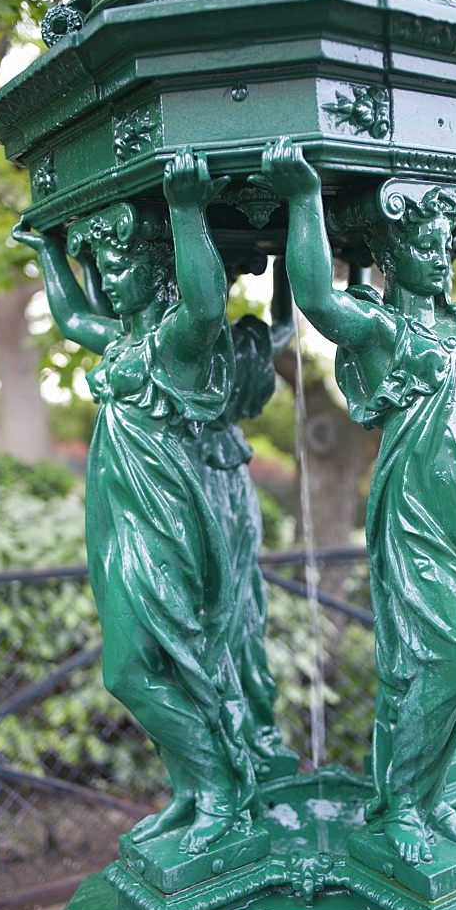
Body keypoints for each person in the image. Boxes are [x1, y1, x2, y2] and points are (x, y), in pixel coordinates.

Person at [256, 137, 456, 865]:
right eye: (425, 246)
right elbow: (318, 299)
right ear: (394, 255)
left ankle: (426, 802)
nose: (440, 257)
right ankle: (397, 805)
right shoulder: (383, 328)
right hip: (416, 518)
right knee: (442, 661)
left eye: (444, 246)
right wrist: (304, 198)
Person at [13, 149, 257, 854]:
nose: (113, 279)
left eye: (126, 265)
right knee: (137, 665)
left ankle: (218, 789)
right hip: (117, 519)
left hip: (165, 520)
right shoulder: (120, 344)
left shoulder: (174, 345)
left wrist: (184, 211)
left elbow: (209, 305)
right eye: (108, 266)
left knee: (140, 665)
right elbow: (70, 315)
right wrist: (46, 254)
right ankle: (193, 788)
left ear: (160, 270)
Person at [183, 257, 299, 780]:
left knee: (234, 603)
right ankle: (240, 726)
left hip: (214, 474)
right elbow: (285, 325)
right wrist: (284, 258)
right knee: (229, 604)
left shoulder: (199, 350)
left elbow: (283, 327)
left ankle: (242, 725)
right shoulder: (242, 349)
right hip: (220, 477)